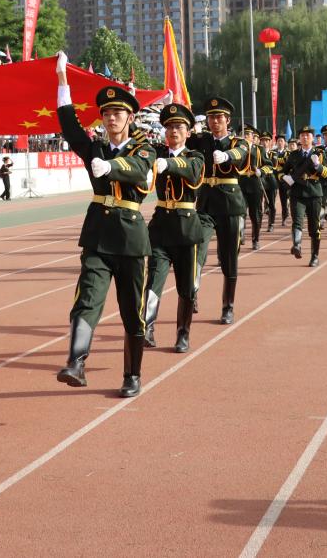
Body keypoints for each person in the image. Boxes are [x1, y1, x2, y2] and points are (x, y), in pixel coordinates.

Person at [54, 52, 156, 397]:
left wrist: (111, 167)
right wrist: (62, 81)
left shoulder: (145, 148)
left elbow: (140, 170)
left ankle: (132, 375)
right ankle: (76, 363)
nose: (111, 118)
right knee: (87, 299)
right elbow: (70, 128)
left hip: (129, 238)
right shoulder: (95, 148)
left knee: (131, 311)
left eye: (118, 113)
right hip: (97, 235)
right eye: (107, 113)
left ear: (131, 117)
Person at [143, 103, 205, 353]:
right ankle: (147, 328)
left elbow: (192, 172)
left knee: (186, 287)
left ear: (188, 132)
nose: (173, 131)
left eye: (178, 127)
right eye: (169, 127)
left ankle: (183, 333)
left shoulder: (195, 156)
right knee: (153, 281)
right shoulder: (157, 152)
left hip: (186, 230)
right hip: (160, 227)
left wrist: (169, 164)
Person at [186, 97, 250, 323]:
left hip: (230, 206)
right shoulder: (201, 140)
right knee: (197, 247)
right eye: (211, 117)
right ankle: (192, 290)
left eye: (219, 117)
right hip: (205, 204)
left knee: (229, 258)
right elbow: (179, 134)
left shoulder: (237, 142)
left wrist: (226, 156)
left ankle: (228, 306)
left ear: (227, 120)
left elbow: (241, 154)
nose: (214, 121)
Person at [282, 126, 327, 266]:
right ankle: (297, 245)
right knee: (297, 221)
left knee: (314, 227)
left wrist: (318, 166)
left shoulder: (320, 154)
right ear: (299, 138)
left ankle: (314, 256)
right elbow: (283, 171)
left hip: (314, 193)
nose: (305, 137)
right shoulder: (293, 155)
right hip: (297, 193)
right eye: (302, 135)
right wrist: (285, 177)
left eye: (308, 135)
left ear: (312, 138)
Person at [238, 125, 264, 251]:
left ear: (253, 137)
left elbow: (268, 165)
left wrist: (261, 171)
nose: (245, 136)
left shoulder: (259, 150)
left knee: (256, 215)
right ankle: (240, 233)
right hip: (240, 183)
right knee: (240, 212)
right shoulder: (236, 149)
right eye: (243, 134)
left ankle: (256, 239)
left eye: (248, 134)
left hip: (254, 184)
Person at [259, 132, 278, 233]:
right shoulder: (257, 152)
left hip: (270, 180)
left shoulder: (273, 154)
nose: (264, 143)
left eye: (266, 140)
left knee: (271, 203)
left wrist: (262, 170)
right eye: (262, 140)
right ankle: (258, 223)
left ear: (270, 142)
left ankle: (271, 224)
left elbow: (274, 166)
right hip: (259, 179)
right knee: (258, 203)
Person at [272, 135, 290, 225]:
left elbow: (288, 164)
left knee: (284, 199)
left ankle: (284, 217)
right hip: (274, 177)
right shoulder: (272, 153)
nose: (280, 143)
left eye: (281, 141)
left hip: (284, 178)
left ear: (285, 142)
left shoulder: (288, 153)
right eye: (278, 141)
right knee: (272, 197)